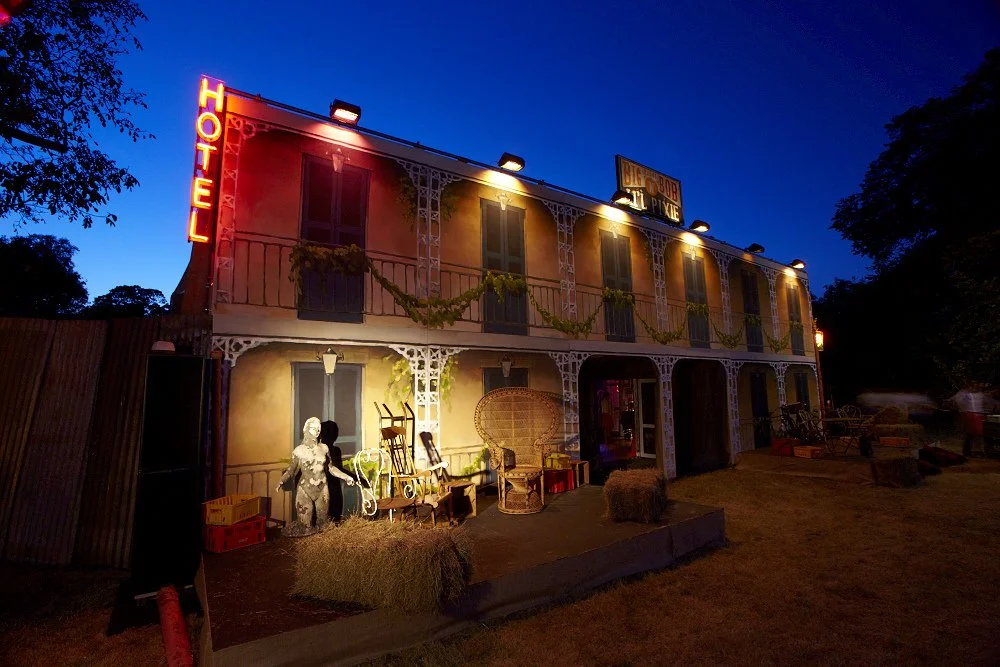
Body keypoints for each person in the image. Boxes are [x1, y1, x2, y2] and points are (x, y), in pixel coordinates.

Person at [277, 417, 354, 536]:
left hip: (322, 489)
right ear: (306, 429)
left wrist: (346, 477)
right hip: (305, 490)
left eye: (319, 429)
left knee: (323, 525)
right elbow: (291, 470)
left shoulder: (324, 448)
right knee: (305, 528)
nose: (317, 431)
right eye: (314, 428)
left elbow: (331, 468)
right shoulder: (299, 450)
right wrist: (281, 481)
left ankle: (323, 549)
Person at [949, 384, 994, 456]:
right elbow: (953, 402)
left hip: (974, 414)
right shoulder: (966, 394)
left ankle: (973, 451)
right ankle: (971, 451)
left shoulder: (976, 395)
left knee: (973, 434)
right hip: (971, 414)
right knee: (974, 434)